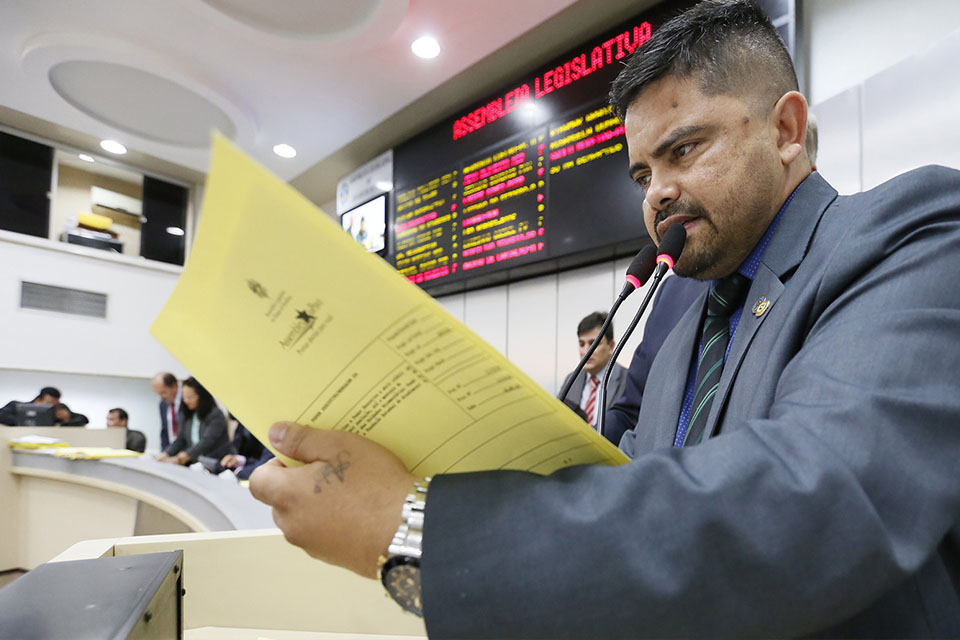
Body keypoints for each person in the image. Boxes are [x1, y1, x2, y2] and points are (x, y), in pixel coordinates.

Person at [250, 1, 960, 637]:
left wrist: (418, 530)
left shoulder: (908, 232)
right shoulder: (681, 326)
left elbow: (816, 505)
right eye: (643, 174)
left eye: (684, 149)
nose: (659, 194)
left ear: (786, 129)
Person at [557, 312, 628, 436]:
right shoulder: (571, 380)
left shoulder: (628, 380)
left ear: (611, 346)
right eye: (581, 344)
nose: (586, 351)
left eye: (593, 343)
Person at [156, 377, 230, 465]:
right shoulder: (186, 413)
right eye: (184, 397)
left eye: (190, 398)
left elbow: (206, 441)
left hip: (216, 463)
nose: (186, 401)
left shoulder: (216, 415)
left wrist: (185, 456)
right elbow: (180, 440)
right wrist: (165, 454)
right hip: (194, 463)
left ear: (201, 397)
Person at [151, 372, 180, 450]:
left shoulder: (188, 403)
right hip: (170, 452)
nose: (162, 397)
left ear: (174, 386)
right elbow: (165, 431)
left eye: (163, 393)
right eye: (158, 394)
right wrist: (164, 452)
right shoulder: (163, 404)